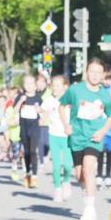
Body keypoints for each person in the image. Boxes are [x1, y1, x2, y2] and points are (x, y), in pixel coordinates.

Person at [60, 58, 111, 220]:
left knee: (89, 168)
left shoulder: (105, 94)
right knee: (79, 175)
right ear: (86, 72)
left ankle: (90, 208)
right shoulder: (75, 90)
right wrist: (66, 125)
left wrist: (103, 131)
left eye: (98, 73)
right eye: (92, 72)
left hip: (94, 137)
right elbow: (62, 106)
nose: (95, 75)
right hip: (77, 136)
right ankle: (87, 197)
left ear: (103, 75)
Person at [45, 74, 73, 203]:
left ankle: (66, 182)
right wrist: (36, 109)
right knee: (56, 165)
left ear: (65, 86)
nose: (54, 88)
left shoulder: (70, 99)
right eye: (53, 85)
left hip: (67, 136)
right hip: (54, 135)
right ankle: (57, 189)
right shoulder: (49, 100)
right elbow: (40, 109)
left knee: (67, 165)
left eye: (57, 85)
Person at [15, 74, 43, 189]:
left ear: (35, 85)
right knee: (26, 152)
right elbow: (15, 110)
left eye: (31, 83)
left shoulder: (38, 98)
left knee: (33, 151)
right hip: (24, 127)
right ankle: (27, 175)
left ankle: (35, 176)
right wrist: (20, 102)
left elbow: (42, 112)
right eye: (26, 83)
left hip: (35, 127)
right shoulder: (21, 97)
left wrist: (39, 110)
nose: (29, 86)